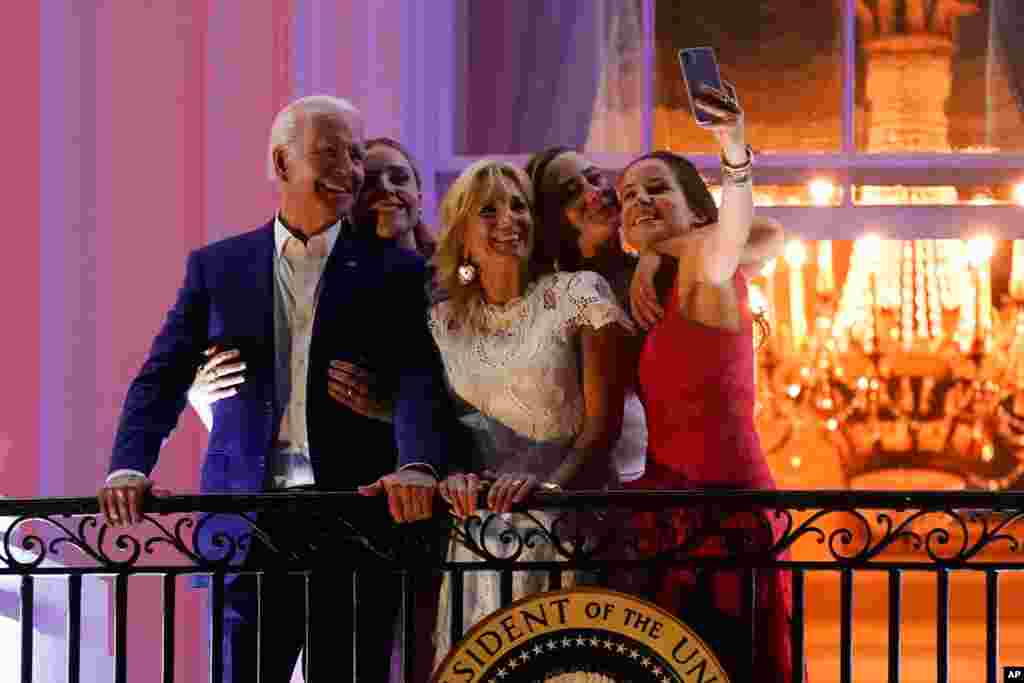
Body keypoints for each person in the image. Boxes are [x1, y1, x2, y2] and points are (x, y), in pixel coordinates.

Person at [98, 95, 456, 683]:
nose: (348, 166)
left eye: (355, 153)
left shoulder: (397, 270)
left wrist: (416, 462)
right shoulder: (217, 266)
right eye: (328, 152)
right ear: (283, 163)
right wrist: (128, 468)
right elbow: (161, 375)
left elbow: (418, 377)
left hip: (353, 520)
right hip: (246, 526)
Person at [615, 83, 793, 682]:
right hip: (671, 524)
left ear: (695, 208)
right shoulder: (658, 291)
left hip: (726, 524)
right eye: (627, 196)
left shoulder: (704, 274)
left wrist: (733, 151)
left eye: (656, 189)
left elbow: (739, 225)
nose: (639, 200)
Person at [427, 159, 635, 666]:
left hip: (568, 533)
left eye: (518, 205)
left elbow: (601, 429)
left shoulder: (576, 295)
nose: (509, 219)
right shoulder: (443, 322)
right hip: (479, 541)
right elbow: (442, 428)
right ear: (461, 234)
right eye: (489, 210)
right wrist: (453, 476)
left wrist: (550, 495)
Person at [524, 146, 784, 483]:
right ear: (552, 219)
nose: (593, 193)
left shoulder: (657, 274)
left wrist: (659, 250)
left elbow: (768, 235)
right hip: (584, 484)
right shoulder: (552, 299)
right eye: (571, 192)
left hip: (665, 483)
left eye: (595, 179)